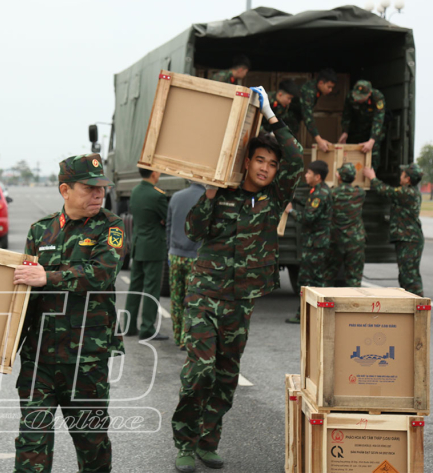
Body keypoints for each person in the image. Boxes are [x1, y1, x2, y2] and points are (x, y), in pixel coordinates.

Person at [171, 86, 304, 472]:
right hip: (204, 294)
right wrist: (209, 194)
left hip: (240, 300)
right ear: (246, 162)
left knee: (226, 376)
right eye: (259, 160)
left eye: (271, 164)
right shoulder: (222, 192)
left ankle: (208, 442)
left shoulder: (274, 198)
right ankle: (184, 439)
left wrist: (272, 116)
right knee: (200, 370)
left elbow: (295, 155)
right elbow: (195, 231)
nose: (265, 168)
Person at [12, 153, 126, 473]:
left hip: (86, 359)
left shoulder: (110, 227)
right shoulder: (40, 231)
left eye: (101, 187)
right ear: (65, 190)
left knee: (92, 446)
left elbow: (102, 273)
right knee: (31, 446)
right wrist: (3, 346)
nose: (98, 194)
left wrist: (48, 276)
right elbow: (22, 292)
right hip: (40, 361)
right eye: (89, 188)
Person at [363, 164, 424, 296]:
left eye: (403, 174)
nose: (400, 176)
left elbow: (385, 190)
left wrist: (372, 177)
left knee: (410, 276)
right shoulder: (408, 191)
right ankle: (411, 303)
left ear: (408, 179)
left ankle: (419, 305)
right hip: (407, 238)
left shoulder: (407, 193)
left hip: (409, 239)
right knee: (405, 274)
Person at [123, 167, 169, 340]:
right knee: (151, 289)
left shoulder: (135, 191)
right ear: (154, 174)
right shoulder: (158, 195)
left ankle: (128, 326)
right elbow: (166, 218)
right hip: (154, 247)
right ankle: (147, 328)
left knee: (134, 287)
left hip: (138, 245)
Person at [284, 160, 333, 323]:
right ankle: (317, 315)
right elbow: (310, 207)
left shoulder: (319, 194)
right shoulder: (319, 190)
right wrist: (295, 199)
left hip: (314, 245)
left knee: (307, 281)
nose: (306, 175)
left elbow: (308, 218)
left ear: (317, 176)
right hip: (317, 244)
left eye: (309, 173)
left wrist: (290, 211)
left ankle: (304, 315)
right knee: (317, 281)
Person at [166, 181, 206, 348]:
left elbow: (168, 226)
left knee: (176, 299)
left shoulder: (175, 197)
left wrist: (170, 249)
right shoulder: (206, 199)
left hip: (175, 256)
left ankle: (176, 335)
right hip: (195, 257)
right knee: (191, 299)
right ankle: (186, 337)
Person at [331, 163, 367, 287]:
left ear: (339, 177)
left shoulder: (333, 193)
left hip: (336, 240)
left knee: (329, 276)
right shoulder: (360, 193)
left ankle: (325, 304)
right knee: (354, 279)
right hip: (355, 241)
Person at [339, 80, 387, 167]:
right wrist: (345, 131)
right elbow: (346, 115)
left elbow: (378, 120)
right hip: (357, 127)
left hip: (373, 130)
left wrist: (372, 140)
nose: (357, 99)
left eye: (361, 97)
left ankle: (371, 176)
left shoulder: (377, 98)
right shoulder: (350, 97)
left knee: (373, 152)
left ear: (369, 94)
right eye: (356, 96)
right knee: (351, 151)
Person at [299, 68, 338, 153]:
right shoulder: (309, 92)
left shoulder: (316, 90)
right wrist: (319, 139)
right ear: (320, 83)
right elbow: (307, 116)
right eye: (329, 87)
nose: (330, 90)